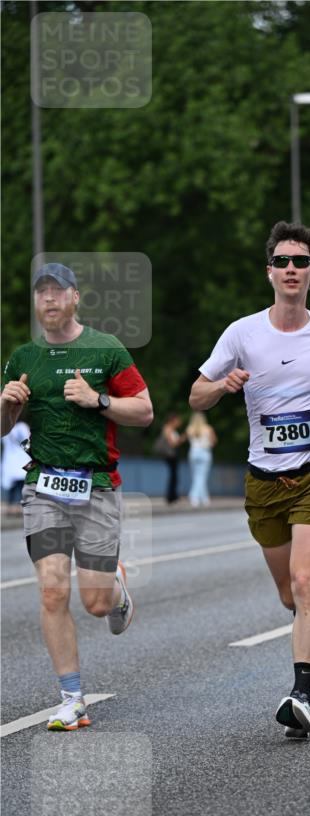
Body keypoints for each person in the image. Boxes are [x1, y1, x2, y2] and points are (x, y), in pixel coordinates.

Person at [190, 221, 310, 739]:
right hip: (264, 480)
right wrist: (223, 385)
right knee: (290, 592)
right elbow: (195, 395)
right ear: (270, 271)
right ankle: (303, 604)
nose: (292, 269)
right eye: (283, 261)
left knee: (306, 582)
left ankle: (300, 696)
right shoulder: (241, 333)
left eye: (301, 262)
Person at [0, 263, 153, 730]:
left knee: (96, 604)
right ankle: (72, 698)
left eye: (57, 291)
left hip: (98, 486)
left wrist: (98, 401)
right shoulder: (23, 357)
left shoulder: (105, 349)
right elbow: (3, 429)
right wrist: (6, 408)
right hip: (43, 485)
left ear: (75, 298)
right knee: (51, 589)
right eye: (41, 292)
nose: (48, 299)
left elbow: (144, 411)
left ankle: (116, 588)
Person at [186, 411, 217, 506]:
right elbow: (214, 441)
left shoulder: (189, 429)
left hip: (193, 453)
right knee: (202, 477)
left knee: (197, 476)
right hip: (205, 453)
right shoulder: (208, 429)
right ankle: (193, 497)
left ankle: (205, 499)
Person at [154, 413, 186, 504]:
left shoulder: (170, 429)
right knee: (173, 476)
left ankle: (173, 495)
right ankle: (171, 497)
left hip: (172, 455)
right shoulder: (168, 429)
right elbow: (172, 444)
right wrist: (181, 439)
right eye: (177, 420)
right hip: (170, 455)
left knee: (174, 475)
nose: (179, 422)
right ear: (173, 420)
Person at [1, 418, 30, 507]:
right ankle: (16, 506)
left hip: (11, 462)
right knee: (20, 486)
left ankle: (12, 506)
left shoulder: (5, 427)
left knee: (14, 486)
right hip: (21, 461)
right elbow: (28, 444)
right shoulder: (22, 427)